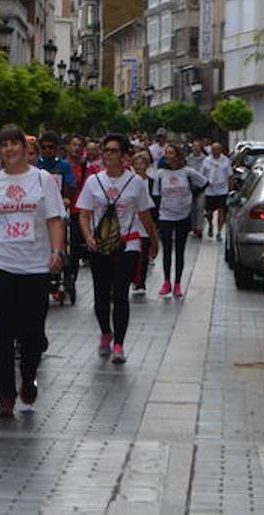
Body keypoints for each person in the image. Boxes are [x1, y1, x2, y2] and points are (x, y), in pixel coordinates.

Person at [0, 125, 66, 419]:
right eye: (3, 144)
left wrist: (57, 251)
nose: (9, 149)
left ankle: (29, 376)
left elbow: (55, 220)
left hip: (34, 265)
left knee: (33, 332)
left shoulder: (43, 180)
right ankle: (5, 396)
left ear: (24, 147)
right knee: (3, 331)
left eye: (14, 143)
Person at [76, 134, 158, 364]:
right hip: (100, 244)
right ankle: (105, 332)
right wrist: (88, 236)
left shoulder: (136, 183)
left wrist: (153, 240)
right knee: (101, 295)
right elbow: (84, 214)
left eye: (113, 151)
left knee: (120, 294)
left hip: (128, 243)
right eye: (106, 150)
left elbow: (144, 214)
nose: (108, 155)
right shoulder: (93, 181)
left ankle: (119, 344)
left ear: (124, 155)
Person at [153, 143, 207, 299]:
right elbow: (156, 195)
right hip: (165, 216)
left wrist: (192, 195)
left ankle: (177, 283)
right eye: (166, 153)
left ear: (178, 155)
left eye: (171, 153)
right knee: (167, 250)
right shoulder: (160, 174)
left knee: (180, 250)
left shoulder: (188, 172)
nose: (168, 156)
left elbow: (204, 183)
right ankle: (166, 282)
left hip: (183, 215)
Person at [130, 149, 158, 296]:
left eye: (142, 163)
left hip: (146, 221)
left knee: (144, 251)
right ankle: (134, 279)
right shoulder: (129, 181)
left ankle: (141, 282)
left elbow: (155, 203)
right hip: (131, 222)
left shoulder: (152, 182)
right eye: (136, 163)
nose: (139, 166)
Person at [201, 142, 233, 240]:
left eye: (217, 149)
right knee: (209, 212)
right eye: (213, 149)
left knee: (221, 211)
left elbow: (230, 175)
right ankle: (210, 225)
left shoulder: (226, 161)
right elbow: (202, 174)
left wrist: (230, 188)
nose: (215, 151)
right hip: (209, 190)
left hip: (222, 190)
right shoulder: (206, 161)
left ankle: (219, 231)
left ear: (220, 150)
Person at [36, 132, 77, 202]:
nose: (47, 150)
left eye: (50, 147)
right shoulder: (36, 164)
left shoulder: (64, 165)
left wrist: (67, 198)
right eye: (43, 147)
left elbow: (71, 186)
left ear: (56, 148)